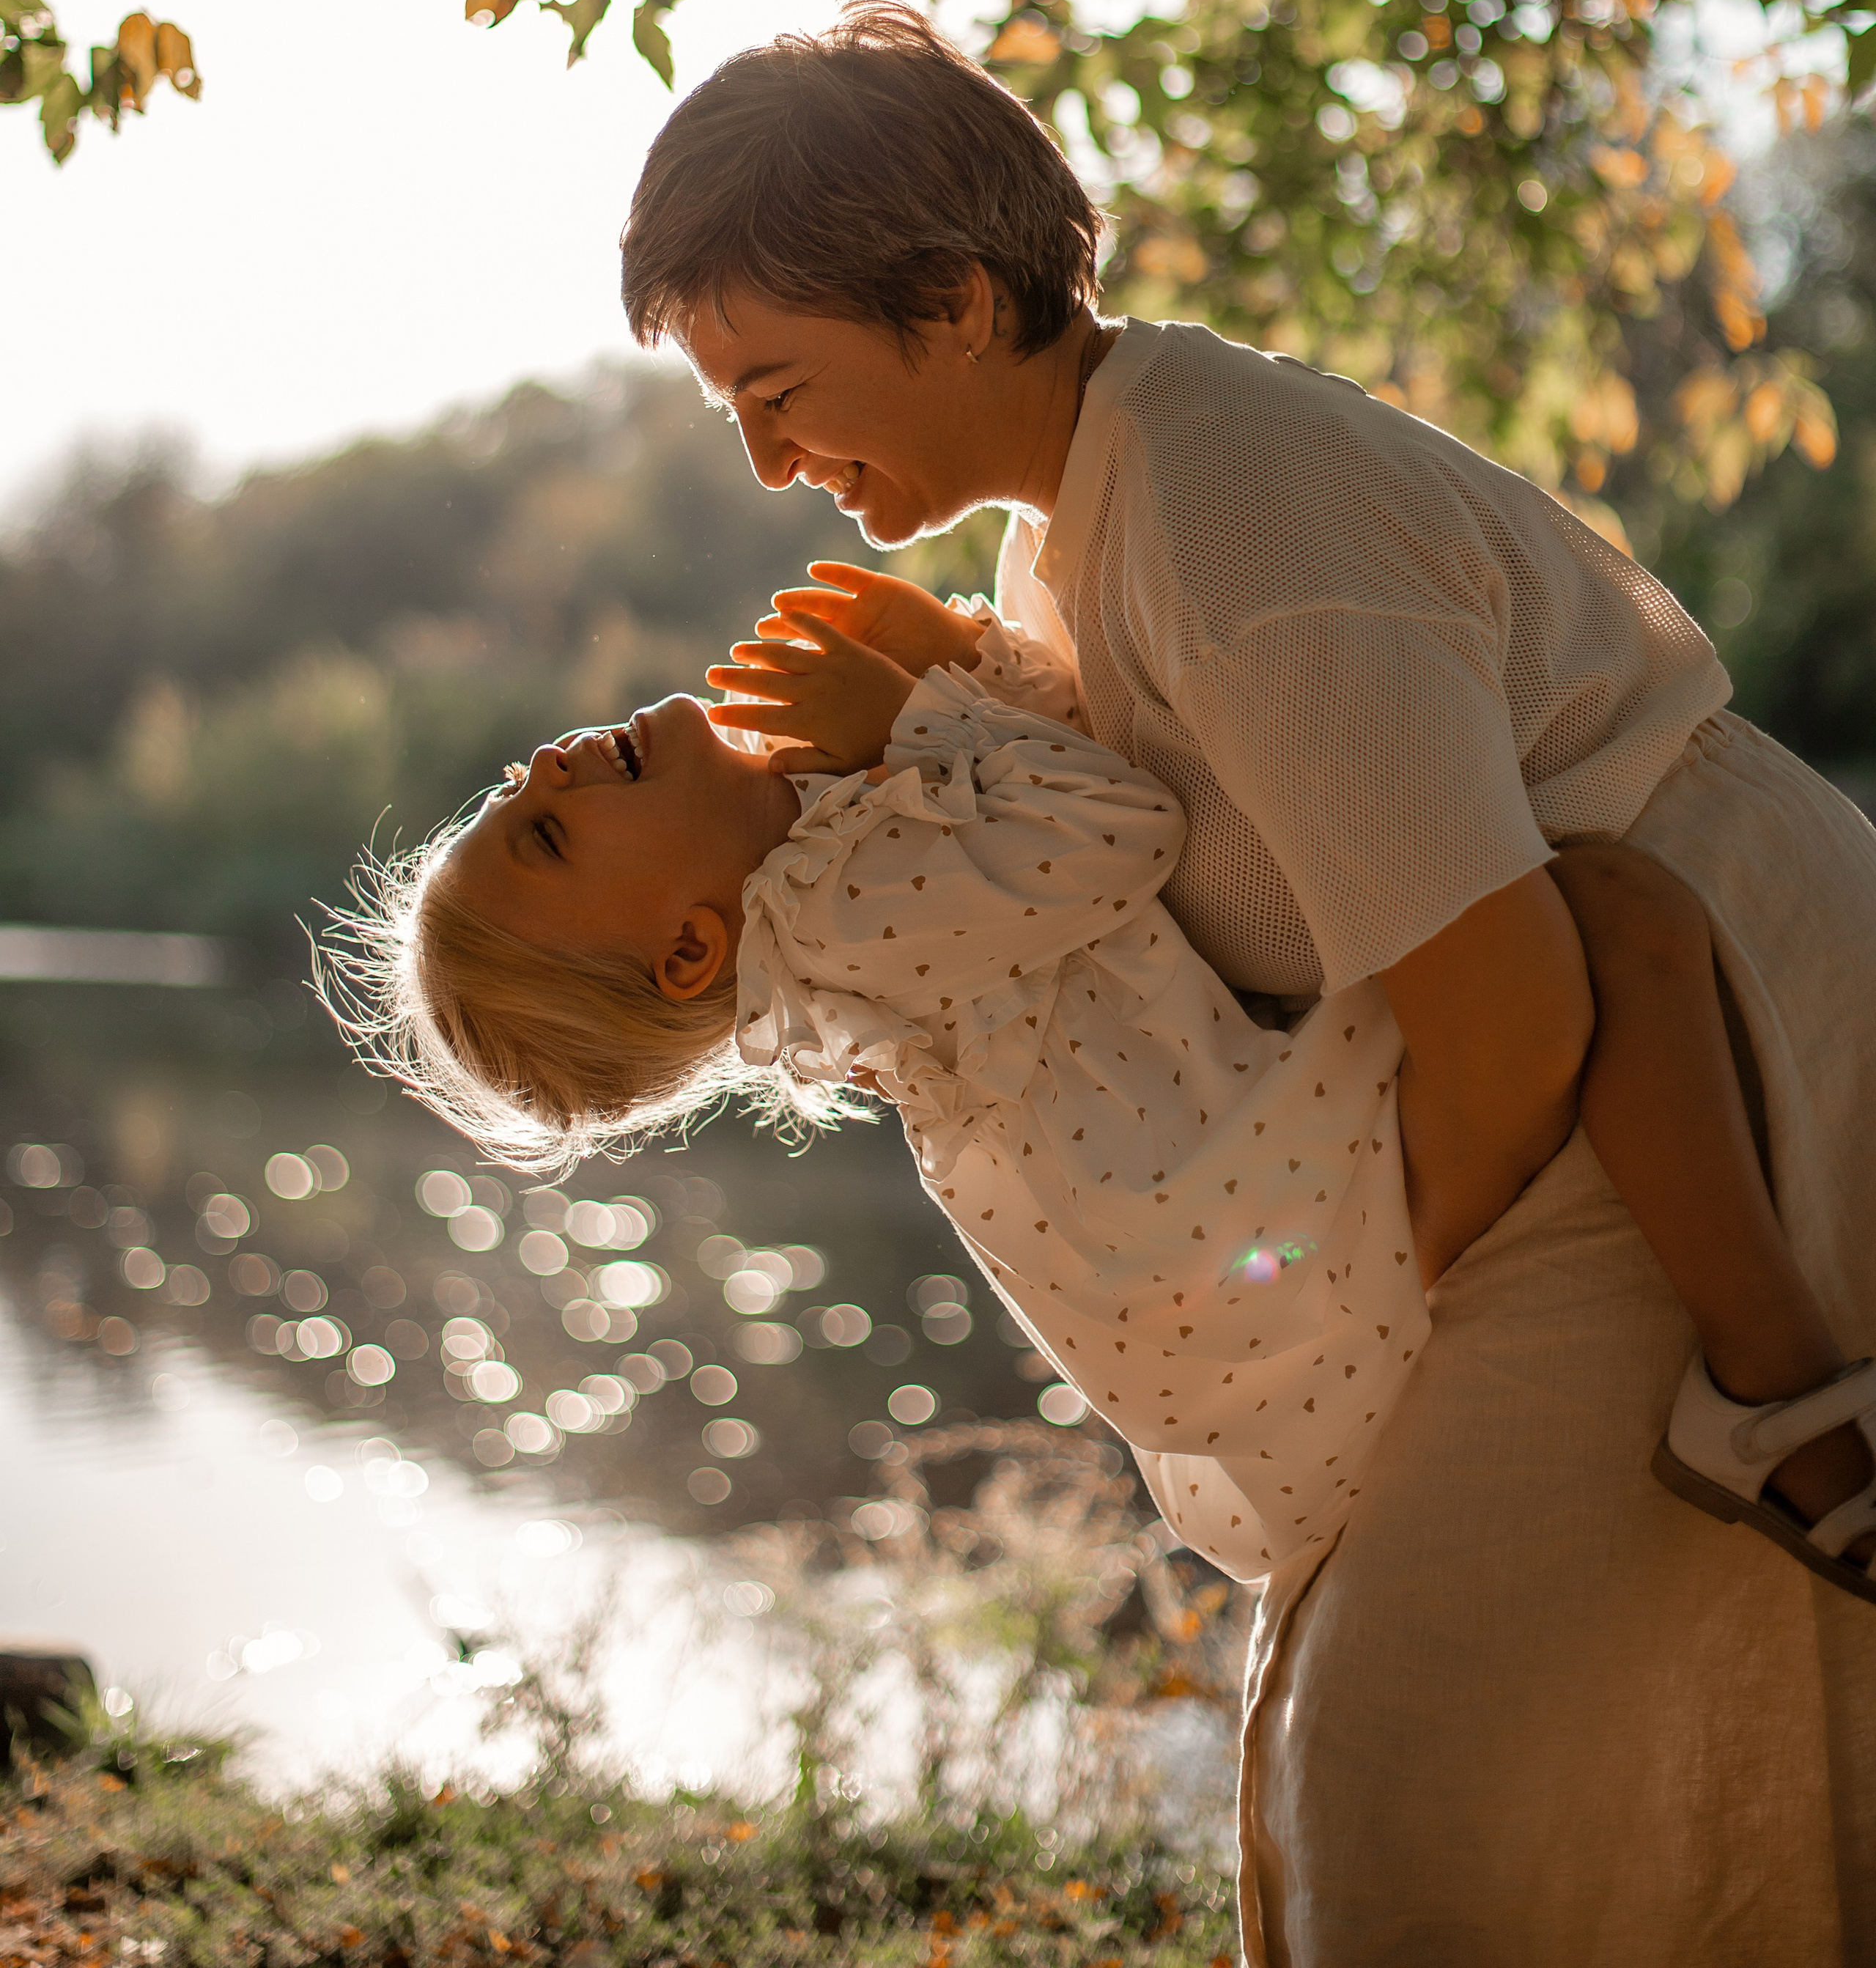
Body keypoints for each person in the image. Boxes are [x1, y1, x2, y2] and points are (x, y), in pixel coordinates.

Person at [616, 0, 1876, 1967]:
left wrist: (1350, 1338)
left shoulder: (1230, 503)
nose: (772, 461)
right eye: (734, 414)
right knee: (1437, 1748)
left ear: (954, 299)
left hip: (1699, 1059)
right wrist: (930, 701)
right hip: (1572, 1084)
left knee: (1416, 1762)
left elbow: (1515, 1000)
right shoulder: (1070, 531)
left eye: (778, 387)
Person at [328, 605, 1871, 1600]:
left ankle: (1766, 1383)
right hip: (1268, 1221)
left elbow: (1040, 800)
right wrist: (920, 708)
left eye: (506, 802)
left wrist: (942, 682)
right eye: (545, 837)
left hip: (1220, 1225)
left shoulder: (831, 893)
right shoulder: (842, 908)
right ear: (686, 951)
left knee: (1615, 930)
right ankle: (1773, 1390)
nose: (539, 771)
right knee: (1612, 915)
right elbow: (1110, 828)